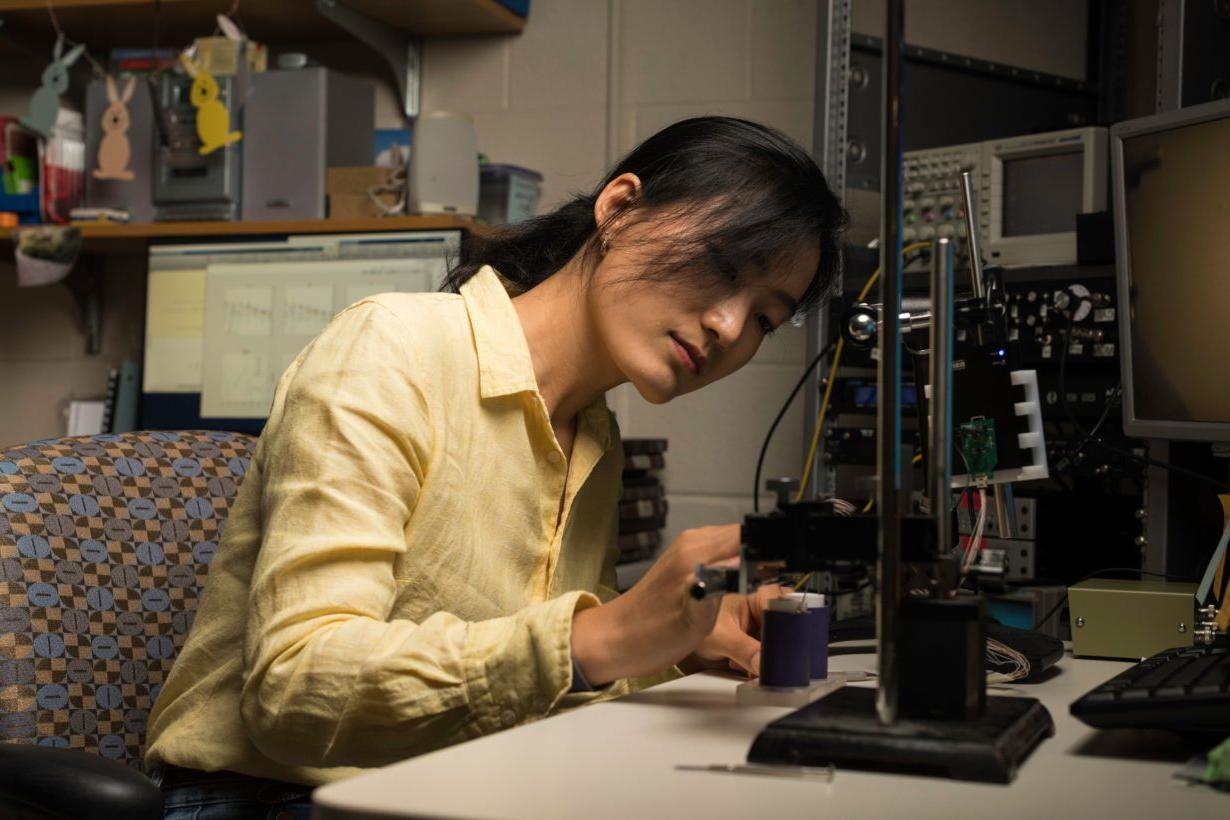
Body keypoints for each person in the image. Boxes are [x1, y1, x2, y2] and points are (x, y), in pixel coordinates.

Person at [144, 116, 846, 818]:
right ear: (620, 209)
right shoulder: (392, 349)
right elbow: (295, 686)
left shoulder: (593, 437)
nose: (729, 325)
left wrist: (675, 647)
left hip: (455, 788)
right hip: (271, 795)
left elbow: (523, 682)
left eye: (764, 318)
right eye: (725, 266)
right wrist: (604, 635)